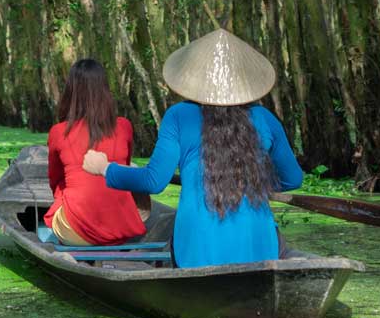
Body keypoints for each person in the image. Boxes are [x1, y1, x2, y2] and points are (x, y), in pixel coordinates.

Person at [83, 29, 302, 267]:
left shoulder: (179, 116)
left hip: (195, 254)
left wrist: (105, 168)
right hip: (260, 251)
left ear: (195, 78)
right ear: (241, 81)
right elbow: (292, 179)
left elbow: (153, 181)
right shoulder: (264, 118)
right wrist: (248, 178)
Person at [46, 58, 148, 246]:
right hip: (120, 231)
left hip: (76, 232)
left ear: (71, 93)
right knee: (130, 170)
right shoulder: (124, 126)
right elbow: (123, 169)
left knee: (63, 192)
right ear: (105, 92)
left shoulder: (59, 132)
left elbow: (55, 181)